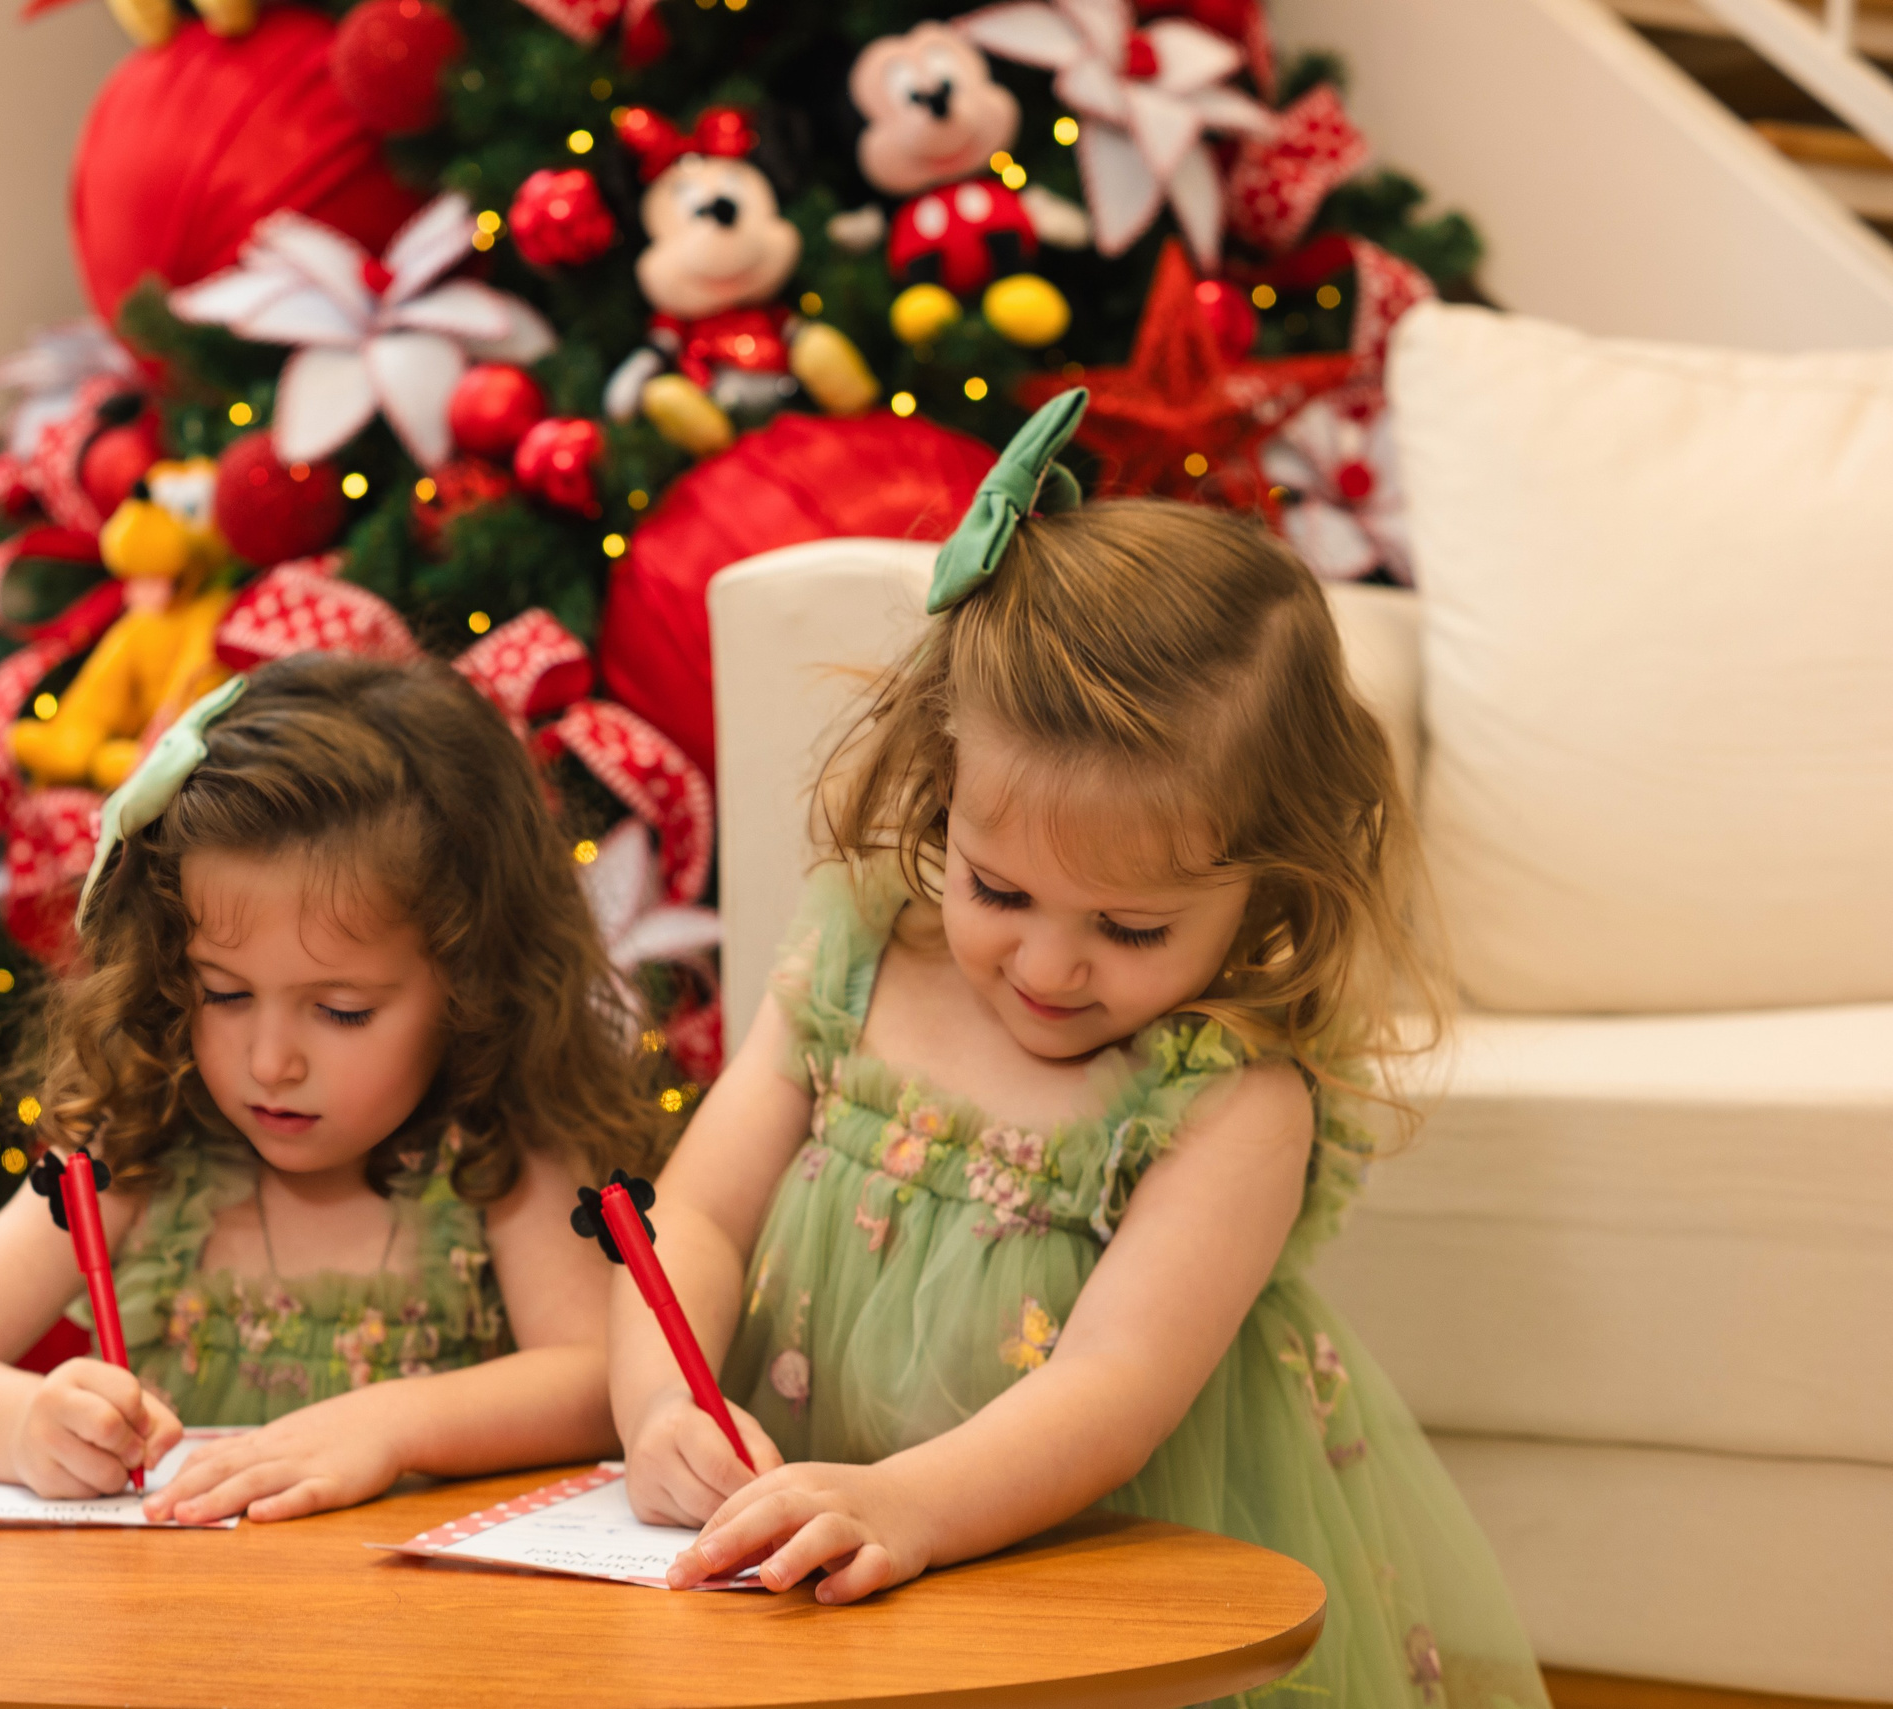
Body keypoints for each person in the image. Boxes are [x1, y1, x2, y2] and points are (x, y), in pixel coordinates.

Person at [611, 395, 1548, 1705]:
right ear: (943, 785)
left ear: (1261, 886)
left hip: (1090, 1566)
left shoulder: (1228, 1100)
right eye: (998, 891)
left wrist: (910, 1504)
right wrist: (662, 1407)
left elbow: (1118, 1381)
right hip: (821, 1538)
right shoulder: (856, 956)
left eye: (1131, 925)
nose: (1049, 968)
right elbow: (696, 1210)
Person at [0, 654, 660, 1524]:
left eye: (342, 1011)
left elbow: (597, 1377)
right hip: (183, 1635)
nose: (271, 1060)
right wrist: (20, 1424)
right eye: (224, 993)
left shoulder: (495, 1154)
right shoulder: (141, 1153)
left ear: (471, 986)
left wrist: (391, 1426)